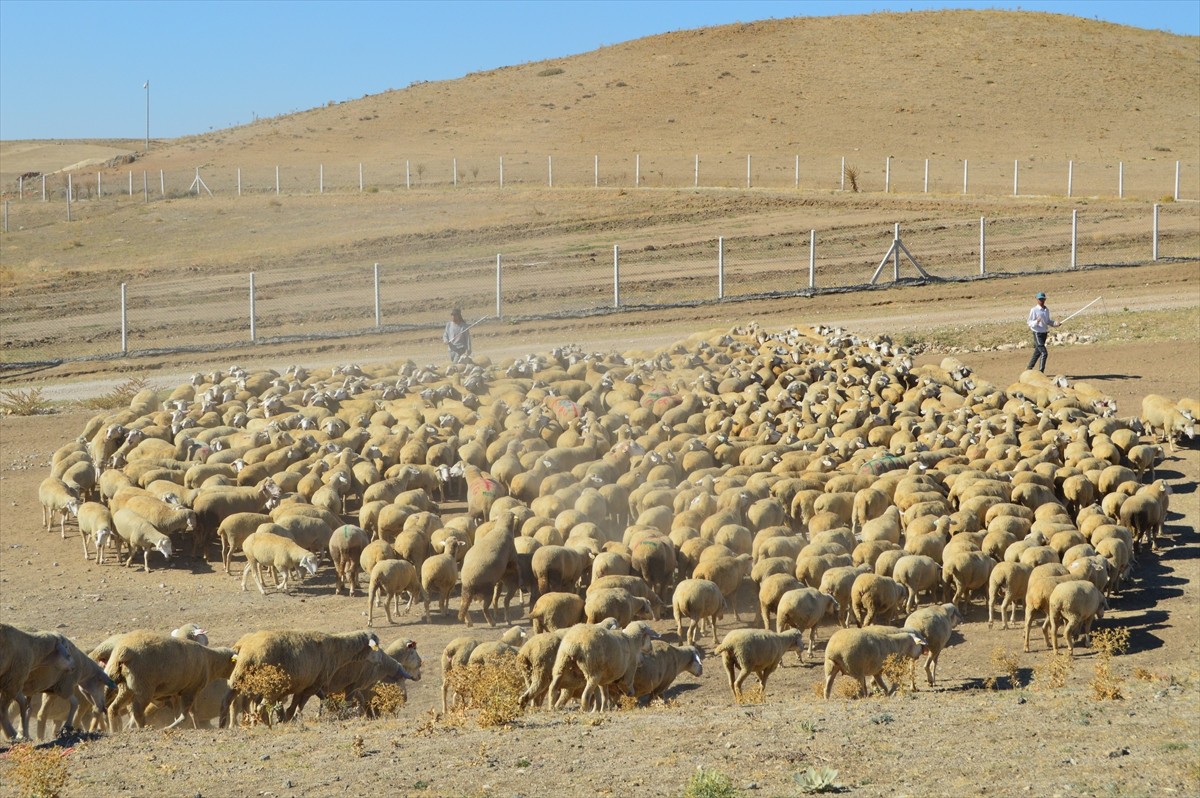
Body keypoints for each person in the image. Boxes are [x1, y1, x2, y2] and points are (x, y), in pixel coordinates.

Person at [1026, 291, 1060, 373]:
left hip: (1044, 333)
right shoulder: (1034, 310)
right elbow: (1029, 322)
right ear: (1037, 300)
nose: (1041, 300)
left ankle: (1028, 369)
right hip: (1037, 333)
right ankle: (1041, 372)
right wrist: (1036, 322)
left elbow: (1048, 321)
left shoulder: (1046, 310)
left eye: (1043, 299)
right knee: (1044, 353)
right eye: (1040, 299)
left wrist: (1055, 323)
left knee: (1037, 352)